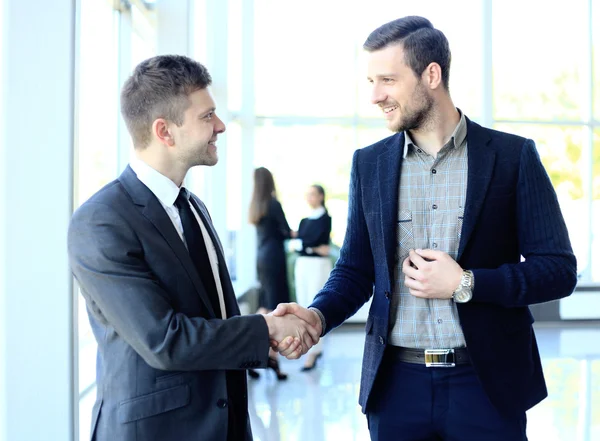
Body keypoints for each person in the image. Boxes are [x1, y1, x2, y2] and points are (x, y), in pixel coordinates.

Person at [273, 16, 577, 441]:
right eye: (371, 81)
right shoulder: (369, 164)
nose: (376, 96)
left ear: (431, 74)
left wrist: (467, 283)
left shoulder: (513, 157)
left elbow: (558, 270)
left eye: (387, 80)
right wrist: (317, 315)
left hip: (486, 384)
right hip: (396, 387)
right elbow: (356, 269)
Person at [67, 55, 318, 441]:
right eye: (207, 116)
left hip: (224, 421)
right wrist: (265, 327)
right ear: (165, 131)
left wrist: (266, 334)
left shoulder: (194, 207)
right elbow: (164, 339)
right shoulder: (101, 221)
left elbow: (211, 314)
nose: (219, 126)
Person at [247, 167, 294, 380]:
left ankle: (249, 353)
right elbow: (285, 231)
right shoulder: (274, 204)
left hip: (261, 257)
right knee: (275, 307)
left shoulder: (256, 205)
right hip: (274, 257)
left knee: (266, 304)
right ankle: (272, 359)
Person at [293, 185, 332, 371]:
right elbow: (304, 243)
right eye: (307, 195)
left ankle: (315, 351)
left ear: (321, 196)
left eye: (313, 194)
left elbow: (315, 242)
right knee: (302, 304)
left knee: (315, 305)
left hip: (318, 266)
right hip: (303, 264)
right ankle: (309, 346)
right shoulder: (304, 220)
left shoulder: (326, 219)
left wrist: (307, 245)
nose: (309, 198)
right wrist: (311, 247)